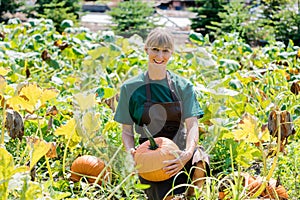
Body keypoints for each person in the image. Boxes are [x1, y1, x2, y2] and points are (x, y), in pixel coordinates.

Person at [114, 27, 209, 200]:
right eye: (155, 50)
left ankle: (193, 194)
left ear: (171, 53)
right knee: (165, 195)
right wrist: (131, 152)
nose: (160, 56)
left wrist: (187, 153)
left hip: (180, 148)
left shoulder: (183, 86)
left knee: (200, 159)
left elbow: (192, 125)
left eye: (165, 51)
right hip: (150, 151)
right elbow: (127, 131)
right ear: (146, 50)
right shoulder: (130, 88)